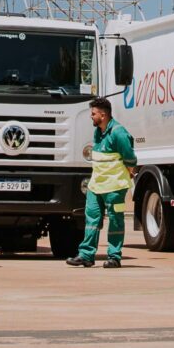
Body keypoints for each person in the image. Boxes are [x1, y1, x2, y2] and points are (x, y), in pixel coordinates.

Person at [71, 97, 137, 268]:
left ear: (103, 114)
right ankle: (86, 255)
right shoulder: (98, 131)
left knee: (115, 220)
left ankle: (114, 257)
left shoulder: (118, 132)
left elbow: (130, 158)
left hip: (115, 186)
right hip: (96, 185)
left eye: (93, 114)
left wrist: (129, 172)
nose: (91, 117)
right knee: (91, 219)